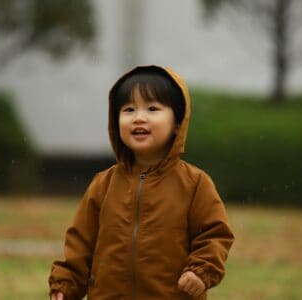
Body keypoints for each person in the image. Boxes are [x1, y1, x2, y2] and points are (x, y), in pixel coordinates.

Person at [49, 65, 235, 299]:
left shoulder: (195, 183)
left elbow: (215, 235)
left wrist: (201, 271)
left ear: (177, 123)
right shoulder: (103, 184)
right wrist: (66, 285)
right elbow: (80, 244)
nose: (139, 118)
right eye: (128, 109)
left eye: (153, 108)